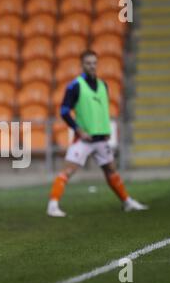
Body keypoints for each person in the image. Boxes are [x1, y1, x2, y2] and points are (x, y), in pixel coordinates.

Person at [47, 50, 148, 217]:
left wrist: (107, 129)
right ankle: (52, 205)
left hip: (101, 138)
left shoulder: (103, 85)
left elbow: (102, 110)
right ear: (81, 65)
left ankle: (127, 202)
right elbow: (64, 111)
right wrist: (78, 129)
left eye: (94, 62)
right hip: (84, 139)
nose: (92, 66)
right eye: (88, 63)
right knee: (68, 171)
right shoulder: (75, 86)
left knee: (111, 170)